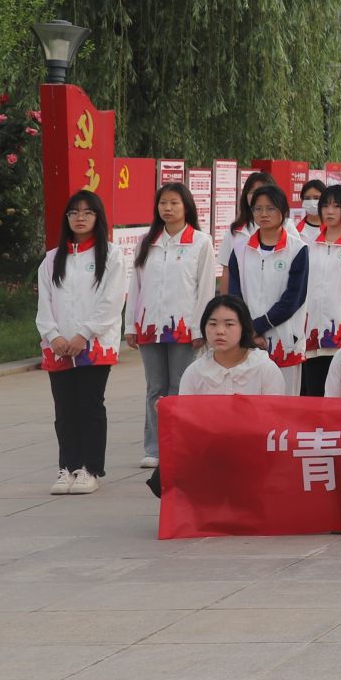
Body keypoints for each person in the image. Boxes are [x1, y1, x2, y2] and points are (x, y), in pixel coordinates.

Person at [36, 190, 127, 496]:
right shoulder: (52, 259)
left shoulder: (111, 255)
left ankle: (90, 468)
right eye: (74, 212)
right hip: (58, 346)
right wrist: (54, 336)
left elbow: (111, 302)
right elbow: (44, 303)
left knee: (89, 405)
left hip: (95, 345)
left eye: (87, 212)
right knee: (64, 409)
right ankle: (68, 467)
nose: (80, 217)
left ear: (98, 217)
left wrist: (83, 335)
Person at [126, 182, 213, 471]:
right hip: (150, 326)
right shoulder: (146, 242)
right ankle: (154, 447)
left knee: (180, 385)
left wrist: (202, 328)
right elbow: (135, 285)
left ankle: (178, 444)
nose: (168, 208)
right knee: (155, 387)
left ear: (186, 206)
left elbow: (204, 289)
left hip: (185, 328)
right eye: (163, 203)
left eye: (174, 203)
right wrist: (131, 325)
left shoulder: (200, 242)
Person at [227, 184, 311, 393]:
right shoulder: (239, 249)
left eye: (270, 208)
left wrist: (258, 326)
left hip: (284, 338)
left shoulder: (298, 249)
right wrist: (249, 329)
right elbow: (235, 295)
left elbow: (293, 298)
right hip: (247, 338)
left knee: (284, 402)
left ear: (283, 211)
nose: (263, 214)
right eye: (258, 209)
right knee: (249, 401)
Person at [299, 185, 341, 397]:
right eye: (325, 206)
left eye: (336, 206)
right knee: (314, 394)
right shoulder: (310, 245)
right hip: (312, 334)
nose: (330, 211)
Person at [177, 294, 286, 396]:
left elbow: (274, 409)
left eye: (229, 324)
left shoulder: (265, 369)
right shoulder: (194, 373)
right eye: (213, 324)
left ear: (244, 327)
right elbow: (184, 409)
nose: (220, 331)